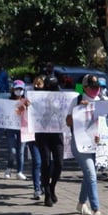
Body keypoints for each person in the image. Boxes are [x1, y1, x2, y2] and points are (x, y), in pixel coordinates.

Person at [71, 74, 108, 215]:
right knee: (92, 175)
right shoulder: (77, 100)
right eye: (92, 87)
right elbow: (68, 121)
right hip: (81, 144)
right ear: (85, 88)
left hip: (98, 145)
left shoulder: (104, 101)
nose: (95, 90)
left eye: (97, 87)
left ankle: (81, 204)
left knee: (89, 175)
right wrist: (80, 109)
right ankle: (96, 210)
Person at [32, 76, 65, 207]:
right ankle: (46, 192)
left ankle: (52, 187)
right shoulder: (39, 96)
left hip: (57, 133)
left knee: (59, 163)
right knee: (45, 162)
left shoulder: (62, 97)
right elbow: (28, 106)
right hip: (43, 133)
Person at [3, 80, 28, 180]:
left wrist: (27, 107)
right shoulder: (8, 100)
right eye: (17, 89)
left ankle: (19, 171)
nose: (19, 91)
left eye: (21, 89)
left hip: (22, 128)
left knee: (21, 151)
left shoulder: (26, 101)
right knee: (12, 151)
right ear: (13, 89)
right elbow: (2, 112)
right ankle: (8, 168)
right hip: (11, 128)